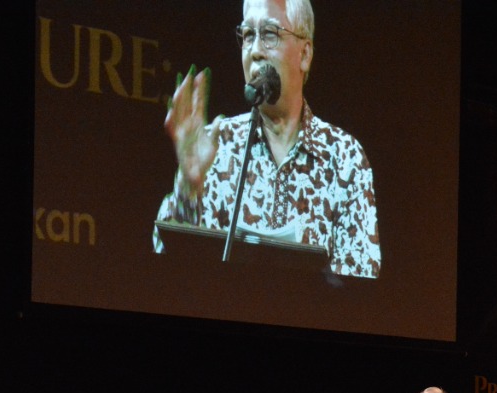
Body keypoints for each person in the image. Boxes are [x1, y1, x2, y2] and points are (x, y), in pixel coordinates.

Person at [152, 0, 381, 279]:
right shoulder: (216, 145)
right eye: (248, 35)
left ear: (304, 54)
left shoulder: (344, 157)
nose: (256, 50)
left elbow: (362, 285)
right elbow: (164, 264)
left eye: (270, 34)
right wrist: (188, 184)